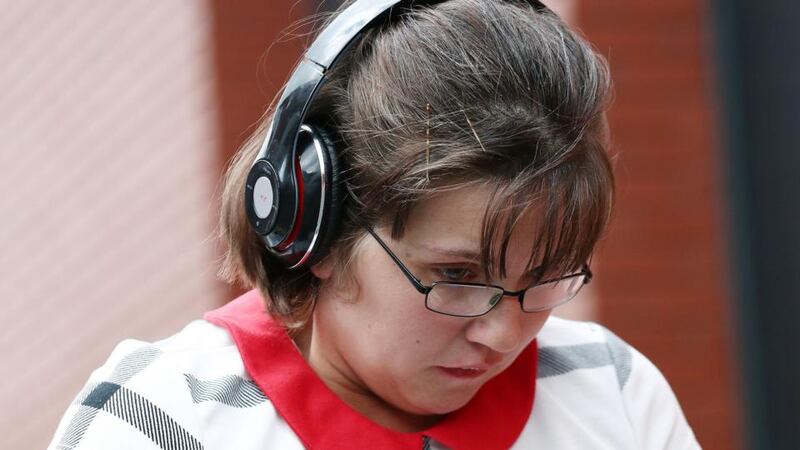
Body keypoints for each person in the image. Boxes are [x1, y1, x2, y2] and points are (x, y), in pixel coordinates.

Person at [49, 0, 700, 449]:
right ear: (319, 228)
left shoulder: (612, 391)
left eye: (544, 279)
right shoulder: (164, 422)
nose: (504, 333)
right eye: (456, 276)